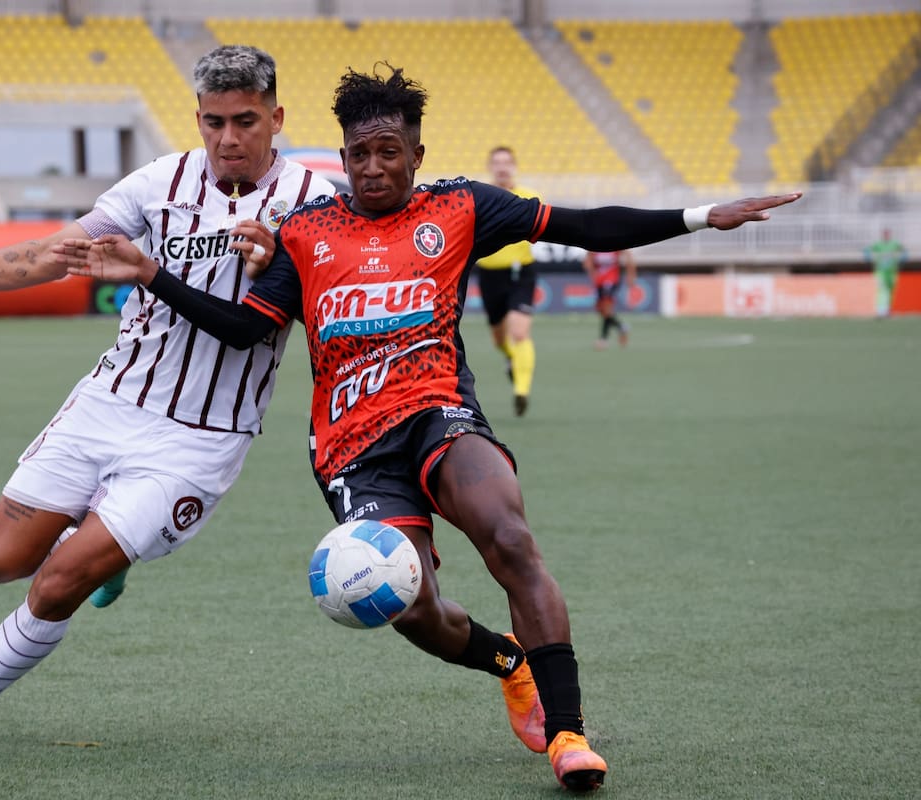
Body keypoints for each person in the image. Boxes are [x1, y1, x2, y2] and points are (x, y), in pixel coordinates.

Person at [57, 63, 801, 793]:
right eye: (359, 154)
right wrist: (152, 274)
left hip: (440, 413)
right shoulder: (306, 233)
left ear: (417, 154)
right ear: (343, 158)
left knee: (509, 538)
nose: (374, 168)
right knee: (410, 607)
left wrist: (702, 217)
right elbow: (245, 329)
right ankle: (508, 664)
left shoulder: (461, 209)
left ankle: (569, 732)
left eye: (390, 153)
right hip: (352, 450)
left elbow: (581, 226)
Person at [0, 45, 336, 750]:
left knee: (59, 582)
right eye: (214, 122)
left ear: (277, 117)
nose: (228, 138)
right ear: (198, 118)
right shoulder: (159, 183)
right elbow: (60, 251)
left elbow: (330, 305)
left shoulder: (314, 202)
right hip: (110, 401)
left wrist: (285, 268)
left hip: (199, 438)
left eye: (245, 120)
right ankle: (96, 547)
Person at [473, 145, 541, 415]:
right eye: (497, 162)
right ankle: (513, 361)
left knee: (520, 332)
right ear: (491, 167)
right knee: (499, 340)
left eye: (506, 162)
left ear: (514, 166)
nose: (502, 167)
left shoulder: (529, 197)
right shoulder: (479, 197)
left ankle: (521, 390)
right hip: (489, 274)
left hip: (520, 271)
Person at [582, 248, 637, 349]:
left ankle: (603, 339)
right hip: (599, 281)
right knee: (600, 310)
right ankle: (621, 327)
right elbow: (587, 261)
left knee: (607, 309)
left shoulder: (614, 245)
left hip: (612, 280)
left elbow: (629, 257)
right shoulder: (595, 246)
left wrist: (631, 275)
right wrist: (592, 271)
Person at [864, 227, 907, 318]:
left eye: (887, 234)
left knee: (891, 291)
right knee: (882, 290)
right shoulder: (878, 244)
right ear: (882, 235)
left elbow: (903, 249)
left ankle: (887, 310)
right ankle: (880, 310)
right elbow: (867, 249)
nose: (886, 235)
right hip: (881, 271)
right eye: (884, 234)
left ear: (889, 235)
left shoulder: (894, 243)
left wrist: (904, 257)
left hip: (892, 272)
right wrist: (868, 257)